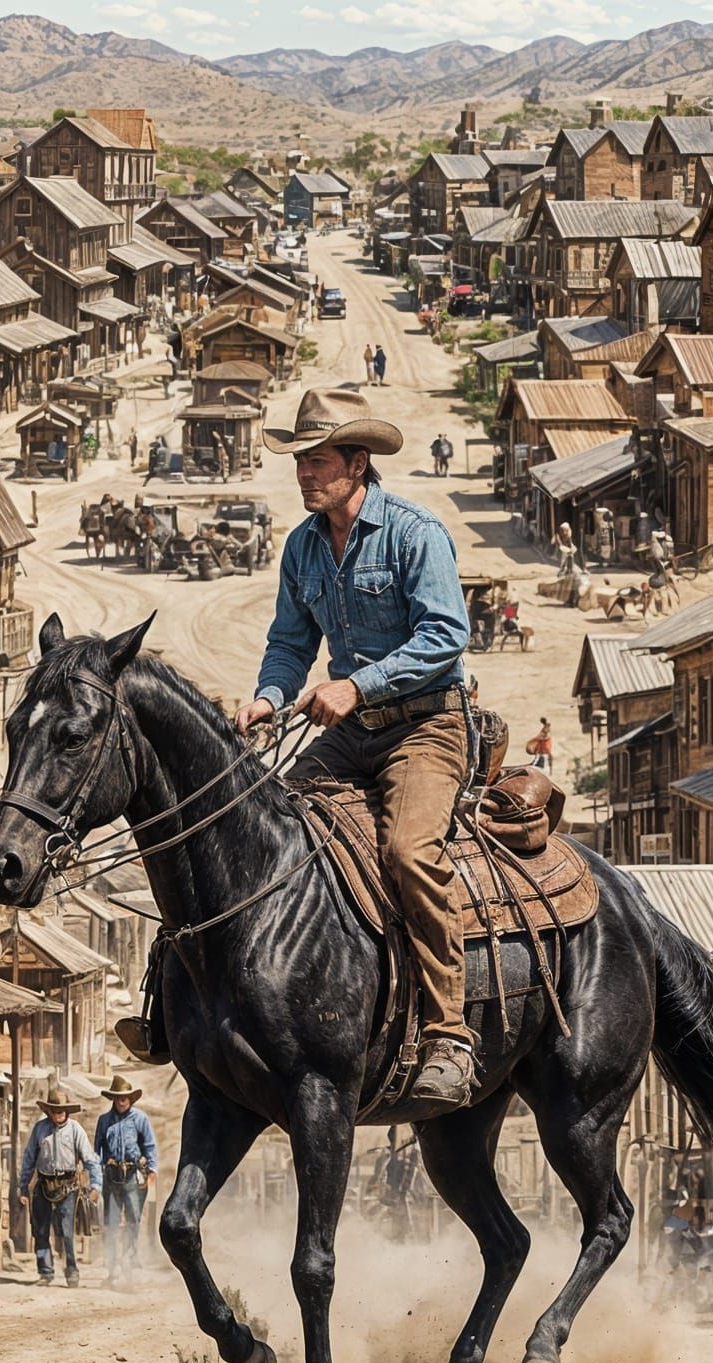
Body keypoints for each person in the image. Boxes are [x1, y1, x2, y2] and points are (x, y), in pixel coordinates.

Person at [233, 388, 476, 1104]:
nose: (306, 475)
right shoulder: (302, 545)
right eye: (300, 462)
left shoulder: (414, 533)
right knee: (259, 825)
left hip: (426, 727)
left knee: (407, 852)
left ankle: (449, 1034)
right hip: (349, 733)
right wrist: (270, 698)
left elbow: (445, 637)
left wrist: (357, 687)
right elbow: (289, 643)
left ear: (357, 463)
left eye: (318, 462)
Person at [17, 1078, 100, 1288]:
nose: (58, 1114)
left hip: (68, 1185)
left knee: (66, 1230)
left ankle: (71, 1270)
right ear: (49, 1112)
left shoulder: (75, 1130)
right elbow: (29, 1158)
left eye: (61, 1110)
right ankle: (45, 1272)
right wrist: (23, 1186)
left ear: (67, 1111)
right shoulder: (39, 1129)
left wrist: (96, 1185)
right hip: (44, 1184)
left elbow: (89, 1159)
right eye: (54, 1110)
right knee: (41, 1229)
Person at [94, 1073, 158, 1287]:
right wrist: (96, 1173)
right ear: (113, 1099)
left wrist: (151, 1172)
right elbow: (97, 1150)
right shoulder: (104, 1121)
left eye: (125, 1097)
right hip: (111, 1176)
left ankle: (129, 1266)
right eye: (118, 1097)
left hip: (133, 1175)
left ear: (130, 1099)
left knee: (133, 1221)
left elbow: (149, 1146)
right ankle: (112, 1269)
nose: (122, 1101)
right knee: (111, 1223)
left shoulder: (140, 1119)